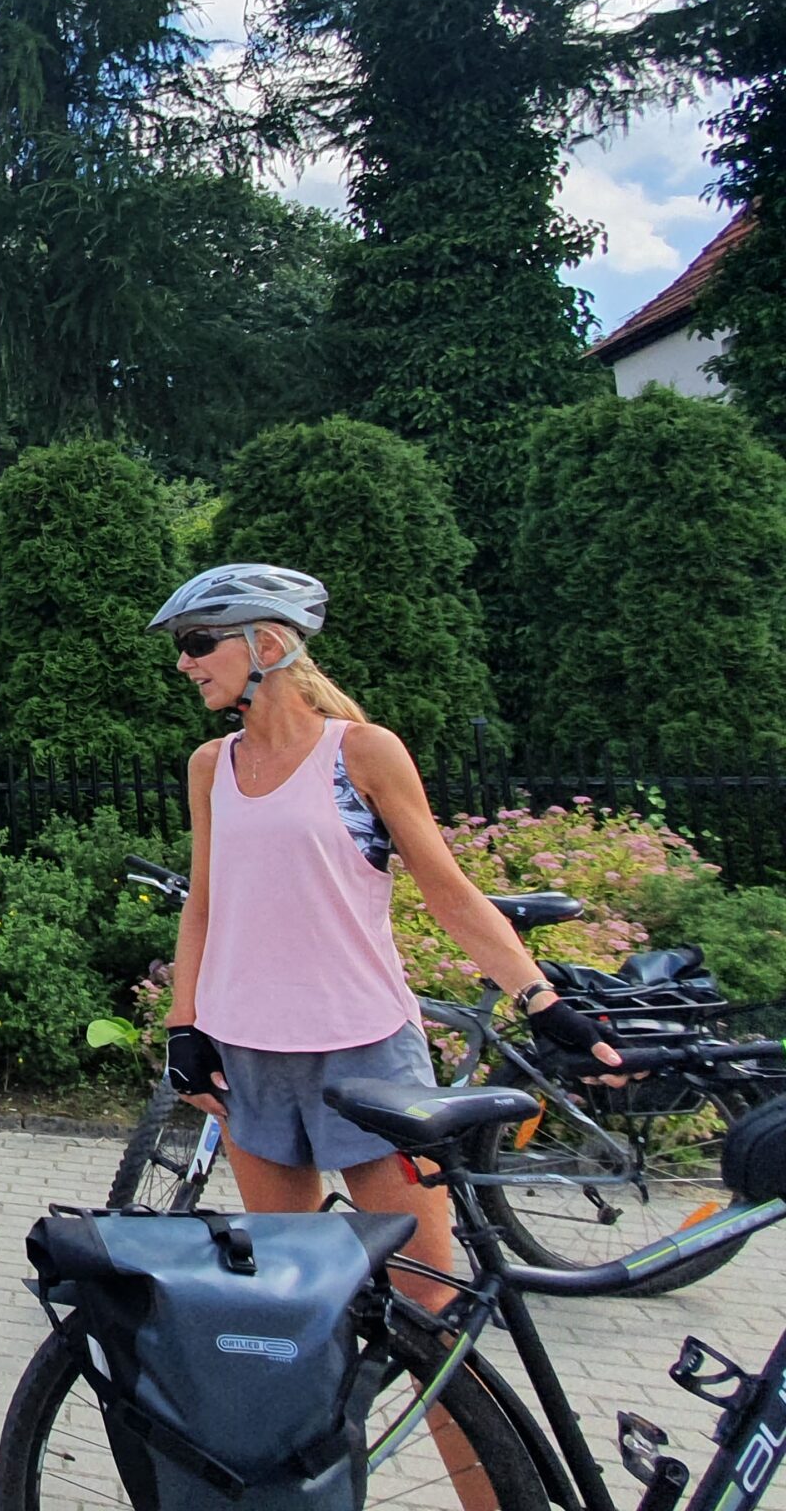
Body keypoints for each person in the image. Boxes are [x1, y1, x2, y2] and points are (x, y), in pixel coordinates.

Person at [153, 565, 619, 1369]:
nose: (184, 663)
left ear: (269, 643)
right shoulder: (210, 765)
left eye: (198, 643)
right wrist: (183, 1025)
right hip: (247, 1052)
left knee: (428, 1303)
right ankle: (320, 1453)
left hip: (364, 1049)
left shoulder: (362, 753)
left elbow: (449, 892)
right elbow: (204, 902)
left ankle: (475, 1459)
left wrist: (541, 1001)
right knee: (294, 1298)